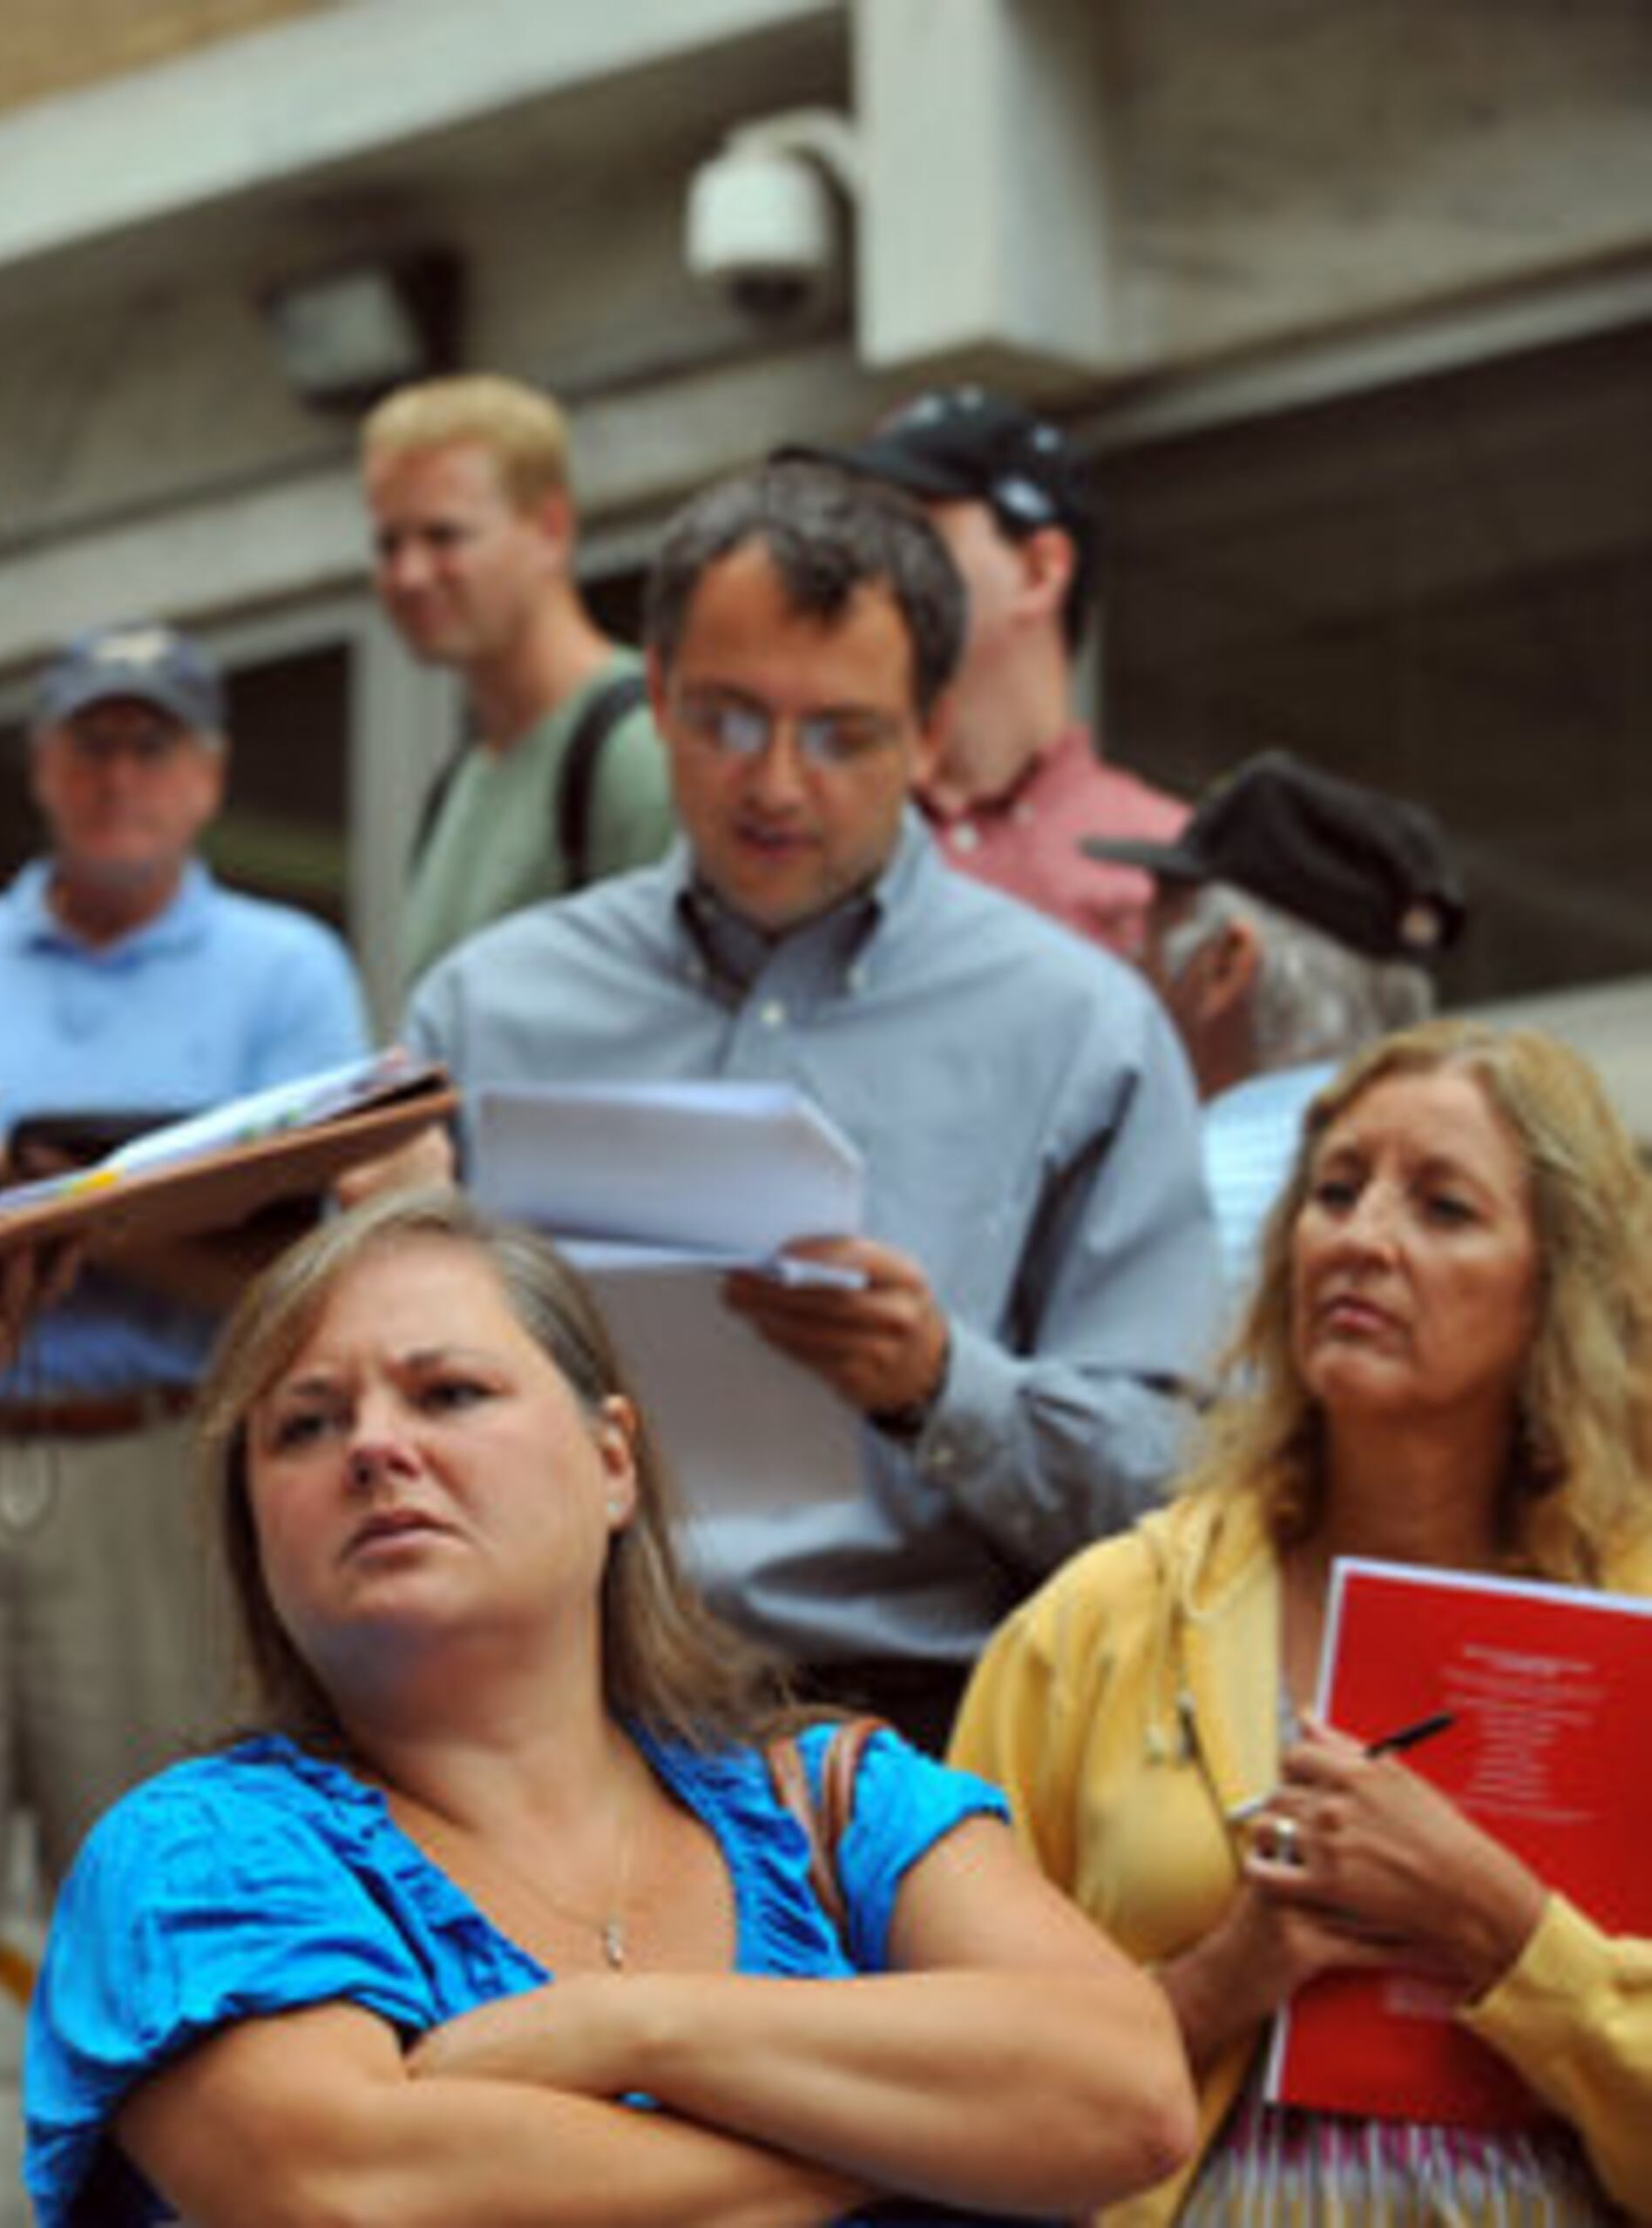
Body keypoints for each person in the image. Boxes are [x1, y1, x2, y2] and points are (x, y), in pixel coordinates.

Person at [23, 1187, 1195, 2224]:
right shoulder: (200, 1854)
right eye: (305, 1425)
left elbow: (1129, 2095)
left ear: (614, 1461)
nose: (376, 1446)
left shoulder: (837, 1803)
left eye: (450, 1391)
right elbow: (355, 2196)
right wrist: (929, 2151)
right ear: (255, 1528)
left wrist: (633, 2029)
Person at [404, 459, 1217, 1750]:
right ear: (657, 693)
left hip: (916, 1724)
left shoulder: (1077, 1031)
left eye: (842, 735)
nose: (777, 783)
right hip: (539, 1716)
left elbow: (1178, 1488)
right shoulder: (488, 1012)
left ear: (931, 734)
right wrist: (386, 1273)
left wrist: (944, 1386)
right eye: (727, 719)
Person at [0, 620, 370, 2228]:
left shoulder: (286, 967)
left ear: (206, 775)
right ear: (45, 765)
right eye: (91, 743)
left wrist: (97, 1219)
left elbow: (320, 1267)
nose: (119, 774)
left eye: (153, 745)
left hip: (153, 1457)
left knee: (150, 1906)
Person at [952, 1021, 1652, 2223]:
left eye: (1441, 1207)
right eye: (1335, 1191)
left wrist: (1501, 1924)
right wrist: (1228, 1975)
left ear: (1557, 1284)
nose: (1363, 1238)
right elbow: (940, 2078)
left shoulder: (1636, 1622)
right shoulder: (1102, 1620)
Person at [783, 385, 1188, 958]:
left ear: (1040, 571)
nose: (863, 569)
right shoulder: (799, 843)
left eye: (909, 535)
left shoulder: (1168, 872)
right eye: (856, 538)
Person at [1088, 750, 1462, 1289]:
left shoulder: (1155, 1215)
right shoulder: (1473, 1222)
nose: (1129, 966)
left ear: (1226, 965)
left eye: (1149, 935)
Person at [362, 374, 677, 987]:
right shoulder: (458, 786)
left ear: (550, 528)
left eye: (444, 536)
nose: (410, 575)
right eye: (387, 544)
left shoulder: (642, 747)